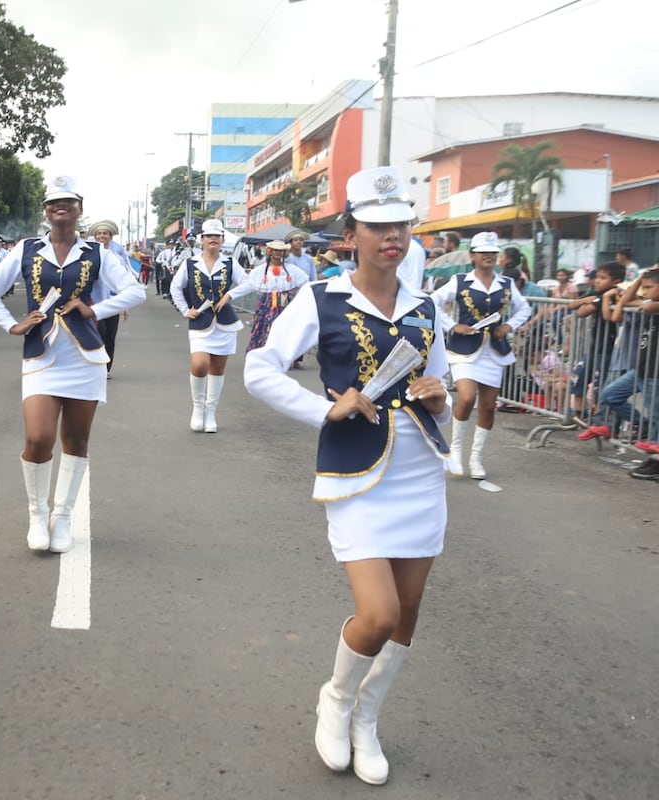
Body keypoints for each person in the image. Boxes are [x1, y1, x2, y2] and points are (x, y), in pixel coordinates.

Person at [245, 166, 452, 787]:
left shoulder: (426, 305)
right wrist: (323, 409)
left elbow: (442, 386)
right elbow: (259, 369)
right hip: (356, 473)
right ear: (351, 233)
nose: (392, 235)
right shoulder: (320, 298)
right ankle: (336, 699)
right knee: (380, 612)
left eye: (400, 224)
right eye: (377, 225)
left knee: (408, 612)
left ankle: (368, 718)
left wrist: (442, 397)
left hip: (420, 470)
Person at [0, 176, 145, 553]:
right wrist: (11, 324)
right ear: (47, 211)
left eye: (68, 201)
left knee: (77, 440)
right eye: (54, 203)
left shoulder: (98, 253)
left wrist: (94, 308)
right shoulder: (27, 248)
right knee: (37, 439)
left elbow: (136, 290)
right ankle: (38, 514)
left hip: (85, 358)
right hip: (42, 356)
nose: (61, 208)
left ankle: (62, 517)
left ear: (80, 207)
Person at [430, 231, 531, 479]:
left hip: (493, 352)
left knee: (488, 406)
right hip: (464, 350)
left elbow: (524, 308)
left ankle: (476, 458)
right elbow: (433, 301)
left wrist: (508, 327)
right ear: (473, 255)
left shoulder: (506, 284)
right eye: (483, 252)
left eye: (493, 252)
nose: (488, 256)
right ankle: (455, 450)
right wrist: (453, 326)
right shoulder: (460, 281)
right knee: (466, 397)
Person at [170, 218, 257, 433]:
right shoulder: (191, 263)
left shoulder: (229, 262)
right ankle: (197, 408)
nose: (213, 240)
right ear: (201, 240)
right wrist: (184, 310)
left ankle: (210, 412)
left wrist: (230, 294)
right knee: (200, 364)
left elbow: (250, 283)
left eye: (217, 236)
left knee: (217, 368)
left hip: (225, 322)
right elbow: (175, 287)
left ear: (222, 239)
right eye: (209, 236)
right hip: (200, 321)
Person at [579, 268, 659, 444]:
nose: (644, 292)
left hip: (653, 370)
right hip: (641, 366)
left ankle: (653, 448)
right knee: (609, 394)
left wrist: (636, 302)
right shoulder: (645, 303)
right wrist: (639, 279)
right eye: (642, 288)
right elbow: (618, 313)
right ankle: (642, 425)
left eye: (648, 287)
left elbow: (647, 305)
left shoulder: (651, 305)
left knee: (655, 412)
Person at [565, 262, 624, 420]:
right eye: (597, 277)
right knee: (578, 381)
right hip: (594, 348)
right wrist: (591, 299)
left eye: (603, 278)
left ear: (616, 281)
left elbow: (583, 311)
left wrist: (592, 302)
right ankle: (578, 417)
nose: (597, 281)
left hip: (608, 350)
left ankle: (599, 421)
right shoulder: (596, 295)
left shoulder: (613, 296)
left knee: (600, 389)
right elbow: (573, 306)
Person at [245, 240, 310, 354]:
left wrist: (291, 292)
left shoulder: (291, 269)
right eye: (275, 250)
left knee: (284, 328)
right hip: (266, 304)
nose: (278, 253)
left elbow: (304, 282)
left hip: (284, 304)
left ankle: (282, 354)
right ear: (270, 251)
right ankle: (261, 353)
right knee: (264, 326)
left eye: (280, 251)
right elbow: (250, 283)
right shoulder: (261, 270)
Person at [87, 220, 131, 377]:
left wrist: (124, 305)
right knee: (99, 333)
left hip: (113, 302)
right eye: (99, 233)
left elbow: (123, 282)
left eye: (105, 233)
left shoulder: (117, 257)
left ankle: (106, 368)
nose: (101, 236)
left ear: (110, 236)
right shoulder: (88, 256)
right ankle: (95, 366)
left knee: (110, 336)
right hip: (93, 303)